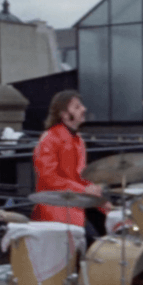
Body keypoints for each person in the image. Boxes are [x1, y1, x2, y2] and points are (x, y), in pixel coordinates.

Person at [31, 90, 111, 248]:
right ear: (64, 114)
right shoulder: (49, 139)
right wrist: (83, 190)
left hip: (78, 200)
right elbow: (49, 178)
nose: (84, 109)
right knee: (93, 243)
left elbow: (81, 174)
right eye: (77, 107)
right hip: (57, 205)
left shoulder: (78, 139)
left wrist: (92, 188)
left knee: (111, 228)